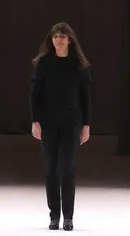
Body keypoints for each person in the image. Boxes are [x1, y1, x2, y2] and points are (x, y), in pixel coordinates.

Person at [30, 22, 92, 232]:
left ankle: (68, 216)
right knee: (50, 170)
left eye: (62, 37)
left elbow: (86, 98)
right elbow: (34, 95)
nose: (59, 40)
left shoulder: (79, 65)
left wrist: (86, 125)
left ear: (70, 40)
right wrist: (34, 121)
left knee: (67, 169)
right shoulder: (44, 63)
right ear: (52, 40)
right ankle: (54, 215)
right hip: (48, 123)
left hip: (71, 123)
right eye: (55, 37)